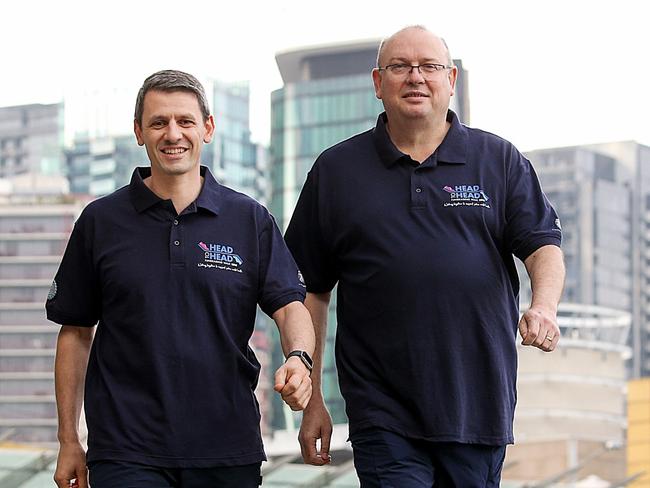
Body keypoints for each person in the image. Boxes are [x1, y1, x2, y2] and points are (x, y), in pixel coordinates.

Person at [285, 26, 565, 487]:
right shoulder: (337, 171)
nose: (416, 77)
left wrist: (544, 306)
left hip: (477, 405)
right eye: (400, 67)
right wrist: (314, 398)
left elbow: (542, 246)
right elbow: (309, 290)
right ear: (378, 83)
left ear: (450, 79)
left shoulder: (498, 160)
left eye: (429, 67)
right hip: (382, 410)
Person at [47, 70, 315, 488]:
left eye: (185, 121)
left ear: (207, 128)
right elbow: (76, 331)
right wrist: (68, 440)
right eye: (159, 122)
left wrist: (299, 359)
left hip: (227, 447)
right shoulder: (101, 222)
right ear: (139, 132)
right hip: (126, 450)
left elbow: (289, 305)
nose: (173, 134)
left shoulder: (249, 220)